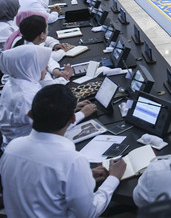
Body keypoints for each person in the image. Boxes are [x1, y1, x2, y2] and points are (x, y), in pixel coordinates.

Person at [0, 84, 123, 217]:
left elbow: (38, 188)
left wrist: (82, 177)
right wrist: (113, 178)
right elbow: (88, 213)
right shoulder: (72, 161)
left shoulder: (11, 149)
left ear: (30, 114)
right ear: (73, 118)